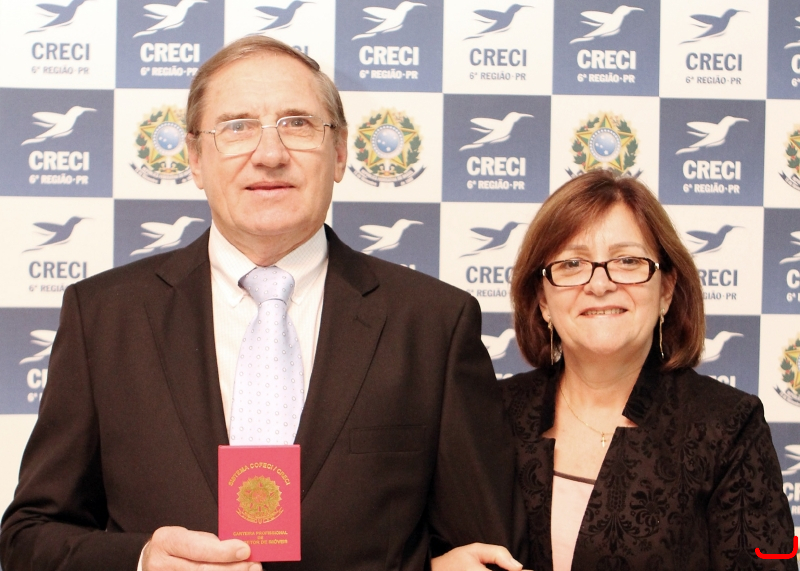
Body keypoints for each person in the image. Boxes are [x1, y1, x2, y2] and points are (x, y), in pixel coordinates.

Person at [0, 36, 525, 571]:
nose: (270, 154)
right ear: (195, 158)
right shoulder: (104, 317)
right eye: (237, 127)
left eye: (298, 124)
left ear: (340, 153)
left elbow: (488, 552)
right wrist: (140, 562)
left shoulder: (434, 324)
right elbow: (28, 537)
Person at [434, 170, 797, 571]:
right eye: (572, 263)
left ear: (666, 289)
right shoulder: (490, 415)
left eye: (627, 261)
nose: (600, 284)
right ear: (543, 300)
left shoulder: (728, 426)